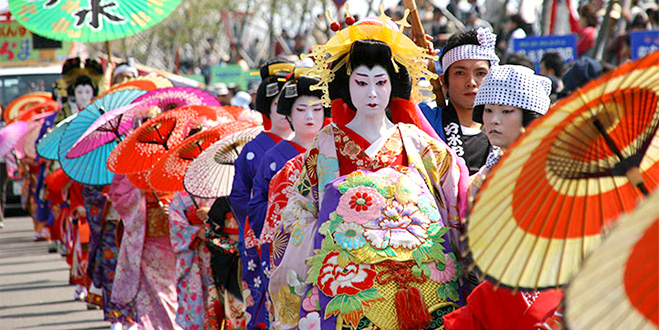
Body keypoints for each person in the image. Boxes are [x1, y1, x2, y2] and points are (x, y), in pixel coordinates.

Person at [269, 14, 468, 329]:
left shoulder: (417, 143)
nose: (372, 94)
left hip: (423, 283)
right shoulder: (326, 146)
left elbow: (456, 204)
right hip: (350, 285)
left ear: (394, 84)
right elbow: (300, 219)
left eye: (381, 82)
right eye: (361, 82)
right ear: (346, 86)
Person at [443, 64, 563, 329]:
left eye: (506, 111)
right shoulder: (480, 178)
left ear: (530, 117)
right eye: (488, 110)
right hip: (492, 292)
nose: (494, 120)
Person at [246, 72, 329, 327]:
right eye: (301, 109)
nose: (310, 116)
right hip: (289, 246)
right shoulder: (275, 158)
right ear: (289, 115)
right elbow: (259, 207)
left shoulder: (332, 150)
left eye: (317, 109)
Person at [229, 58, 294, 329]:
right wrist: (264, 225)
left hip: (305, 232)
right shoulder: (253, 149)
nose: (284, 111)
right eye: (277, 104)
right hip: (262, 235)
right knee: (263, 300)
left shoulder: (315, 143)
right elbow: (238, 195)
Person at [421, 28, 500, 174]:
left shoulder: (507, 127)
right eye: (460, 73)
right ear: (444, 82)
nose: (471, 82)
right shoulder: (426, 121)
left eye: (480, 73)